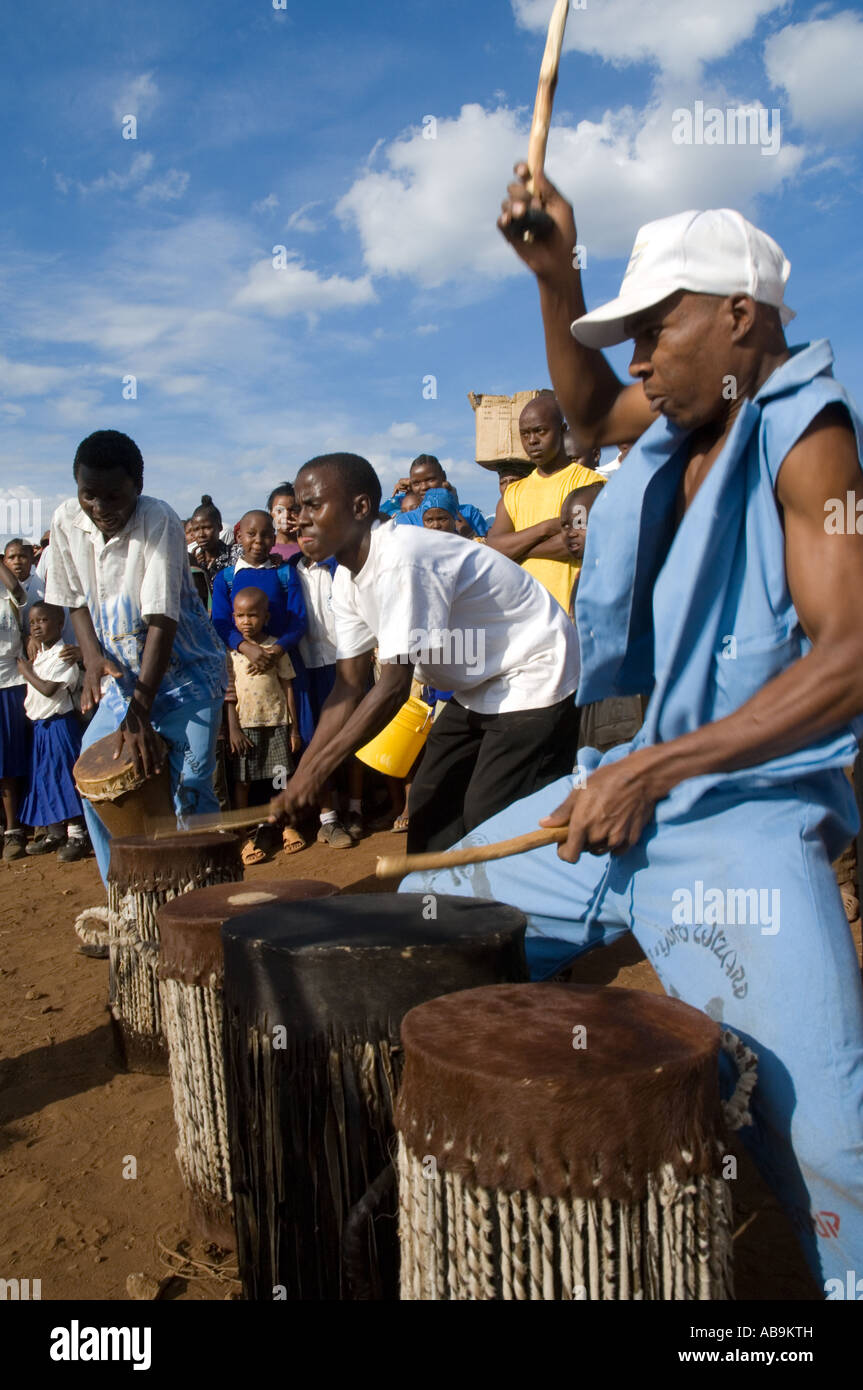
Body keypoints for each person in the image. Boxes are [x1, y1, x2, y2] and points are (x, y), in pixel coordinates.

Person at [402, 168, 863, 1287]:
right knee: (418, 932)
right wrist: (555, 274)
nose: (641, 361)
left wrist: (657, 766)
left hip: (729, 822)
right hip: (601, 796)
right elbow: (586, 399)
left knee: (828, 1144)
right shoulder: (666, 423)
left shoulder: (807, 441)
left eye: (657, 329)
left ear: (737, 318)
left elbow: (850, 655)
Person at [269, 453, 580, 854]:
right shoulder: (345, 579)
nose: (300, 520)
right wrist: (302, 776)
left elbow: (393, 688)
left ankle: (510, 909)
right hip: (481, 684)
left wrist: (320, 771)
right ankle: (436, 910)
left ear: (361, 507)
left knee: (490, 819)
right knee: (431, 807)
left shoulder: (401, 558)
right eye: (297, 508)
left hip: (536, 670)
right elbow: (347, 689)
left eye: (313, 506)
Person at [45, 429, 228, 884]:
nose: (102, 508)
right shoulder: (67, 521)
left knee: (190, 786)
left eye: (115, 495)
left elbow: (162, 620)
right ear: (77, 488)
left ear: (138, 486)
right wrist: (91, 659)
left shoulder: (159, 521)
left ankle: (204, 897)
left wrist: (140, 713)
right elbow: (75, 600)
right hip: (124, 684)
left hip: (187, 678)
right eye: (90, 495)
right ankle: (127, 899)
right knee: (96, 783)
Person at [487, 394, 605, 611]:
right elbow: (494, 547)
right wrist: (545, 528)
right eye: (525, 434)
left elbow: (577, 544)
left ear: (562, 430)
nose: (532, 441)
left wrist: (518, 548)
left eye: (541, 431)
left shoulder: (590, 483)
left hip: (571, 614)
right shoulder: (513, 493)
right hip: (526, 616)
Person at [560, 485, 646, 753]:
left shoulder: (626, 568)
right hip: (593, 702)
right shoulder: (585, 575)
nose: (570, 532)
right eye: (564, 525)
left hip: (625, 704)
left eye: (580, 523)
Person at [225, 587, 303, 862]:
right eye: (241, 616)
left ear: (266, 617)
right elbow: (229, 695)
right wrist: (232, 728)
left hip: (276, 723)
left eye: (253, 615)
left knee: (281, 779)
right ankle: (244, 837)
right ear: (233, 617)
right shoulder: (231, 654)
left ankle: (288, 826)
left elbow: (288, 687)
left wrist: (294, 727)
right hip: (245, 728)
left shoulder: (275, 649)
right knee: (243, 783)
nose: (247, 621)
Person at [16, 602, 90, 861]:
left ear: (60, 624)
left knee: (64, 778)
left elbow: (48, 689)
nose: (37, 626)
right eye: (33, 622)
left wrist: (25, 672)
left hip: (60, 725)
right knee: (45, 777)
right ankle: (55, 831)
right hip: (42, 726)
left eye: (43, 621)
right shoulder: (42, 655)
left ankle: (77, 833)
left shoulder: (64, 654)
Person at [211, 510, 306, 667]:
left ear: (274, 539)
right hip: (242, 662)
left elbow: (299, 620)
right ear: (239, 537)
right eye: (251, 534)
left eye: (266, 535)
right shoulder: (226, 578)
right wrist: (246, 647)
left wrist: (276, 650)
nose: (258, 540)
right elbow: (221, 622)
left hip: (284, 660)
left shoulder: (285, 573)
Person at [0, 554, 30, 860]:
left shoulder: (9, 591)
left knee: (8, 760)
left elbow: (19, 592)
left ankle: (14, 829)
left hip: (8, 681)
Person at [393, 455, 490, 538]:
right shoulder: (406, 519)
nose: (424, 487)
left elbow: (486, 546)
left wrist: (466, 531)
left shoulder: (469, 512)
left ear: (443, 477)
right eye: (416, 483)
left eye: (430, 480)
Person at [188, 498, 231, 594]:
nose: (201, 534)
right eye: (196, 529)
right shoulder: (193, 562)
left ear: (219, 527)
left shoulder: (236, 555)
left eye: (207, 527)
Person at [268, 483, 301, 561]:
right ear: (270, 514)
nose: (286, 516)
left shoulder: (310, 547)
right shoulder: (263, 548)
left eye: (292, 510)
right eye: (279, 511)